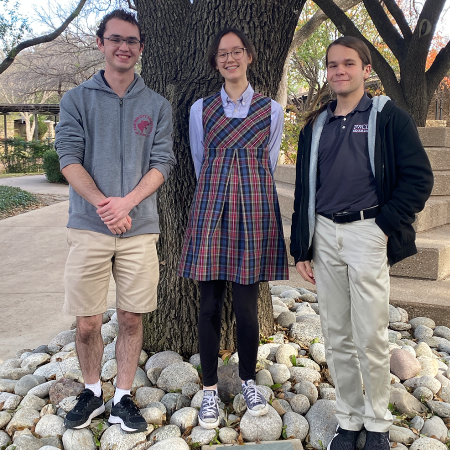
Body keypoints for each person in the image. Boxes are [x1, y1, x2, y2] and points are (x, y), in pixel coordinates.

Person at [290, 36, 433, 450]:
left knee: (370, 334)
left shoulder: (388, 118)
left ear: (366, 70)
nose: (339, 71)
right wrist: (303, 246)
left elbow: (419, 179)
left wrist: (384, 225)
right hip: (324, 236)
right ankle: (348, 420)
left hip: (367, 233)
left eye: (348, 64)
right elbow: (304, 189)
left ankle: (377, 423)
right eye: (333, 65)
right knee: (336, 335)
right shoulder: (316, 125)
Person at [55, 9, 175, 433]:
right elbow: (68, 156)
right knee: (87, 321)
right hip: (88, 226)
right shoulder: (76, 100)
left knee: (130, 318)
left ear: (141, 48)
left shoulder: (156, 105)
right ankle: (91, 391)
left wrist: (128, 204)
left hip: (139, 230)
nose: (124, 47)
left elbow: (163, 162)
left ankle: (123, 398)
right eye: (116, 39)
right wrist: (107, 205)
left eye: (132, 41)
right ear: (101, 43)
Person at [178, 28, 288, 429]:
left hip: (254, 213)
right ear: (215, 61)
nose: (230, 59)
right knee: (208, 306)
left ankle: (247, 380)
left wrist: (243, 190)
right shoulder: (199, 109)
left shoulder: (272, 110)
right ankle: (209, 390)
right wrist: (221, 191)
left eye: (236, 52)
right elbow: (198, 159)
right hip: (211, 211)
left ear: (249, 57)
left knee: (245, 308)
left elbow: (269, 161)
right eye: (222, 54)